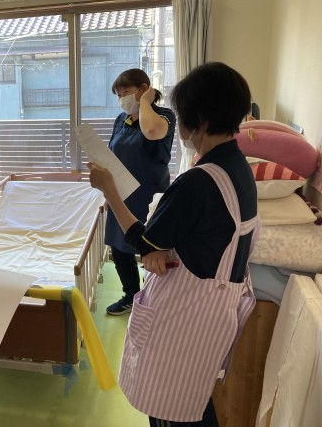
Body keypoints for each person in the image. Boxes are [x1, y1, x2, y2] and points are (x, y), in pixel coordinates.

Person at [88, 62, 258, 427]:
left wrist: (109, 191)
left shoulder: (199, 181)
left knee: (171, 411)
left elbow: (145, 241)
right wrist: (161, 250)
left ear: (199, 121)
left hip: (184, 324)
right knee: (194, 405)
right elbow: (201, 236)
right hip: (212, 316)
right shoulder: (239, 169)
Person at [104, 69, 176, 315]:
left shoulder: (164, 116)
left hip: (149, 196)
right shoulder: (121, 120)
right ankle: (130, 295)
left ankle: (152, 298)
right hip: (121, 195)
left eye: (126, 92)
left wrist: (145, 102)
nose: (122, 98)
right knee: (119, 248)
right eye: (119, 94)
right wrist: (107, 190)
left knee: (150, 251)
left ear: (144, 89)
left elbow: (152, 132)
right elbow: (112, 154)